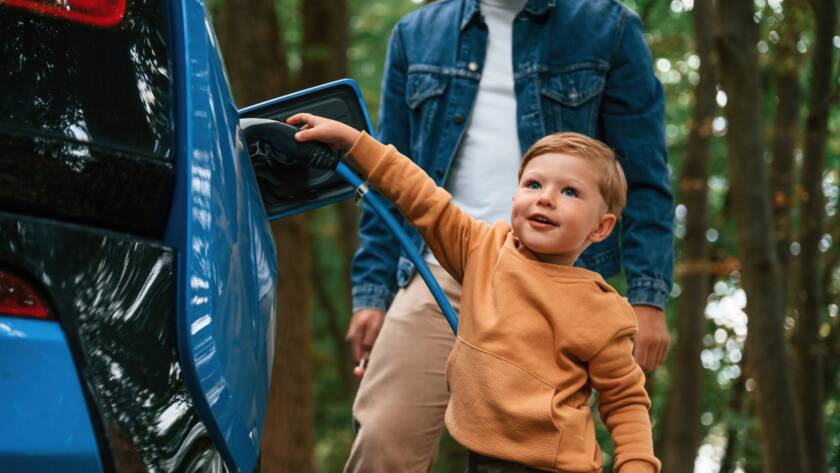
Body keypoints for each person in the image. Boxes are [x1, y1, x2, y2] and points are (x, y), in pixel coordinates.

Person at [346, 0, 674, 470]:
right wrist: (372, 292)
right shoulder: (416, 33)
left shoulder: (608, 28)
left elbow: (643, 175)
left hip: (559, 283)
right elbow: (393, 179)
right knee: (382, 436)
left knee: (534, 453)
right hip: (441, 264)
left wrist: (648, 296)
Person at [288, 112, 661, 473]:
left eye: (570, 192)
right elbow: (421, 196)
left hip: (557, 465)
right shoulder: (482, 250)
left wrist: (637, 464)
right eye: (533, 184)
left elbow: (625, 399)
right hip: (483, 459)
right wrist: (354, 142)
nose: (545, 198)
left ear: (601, 228)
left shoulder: (601, 309)